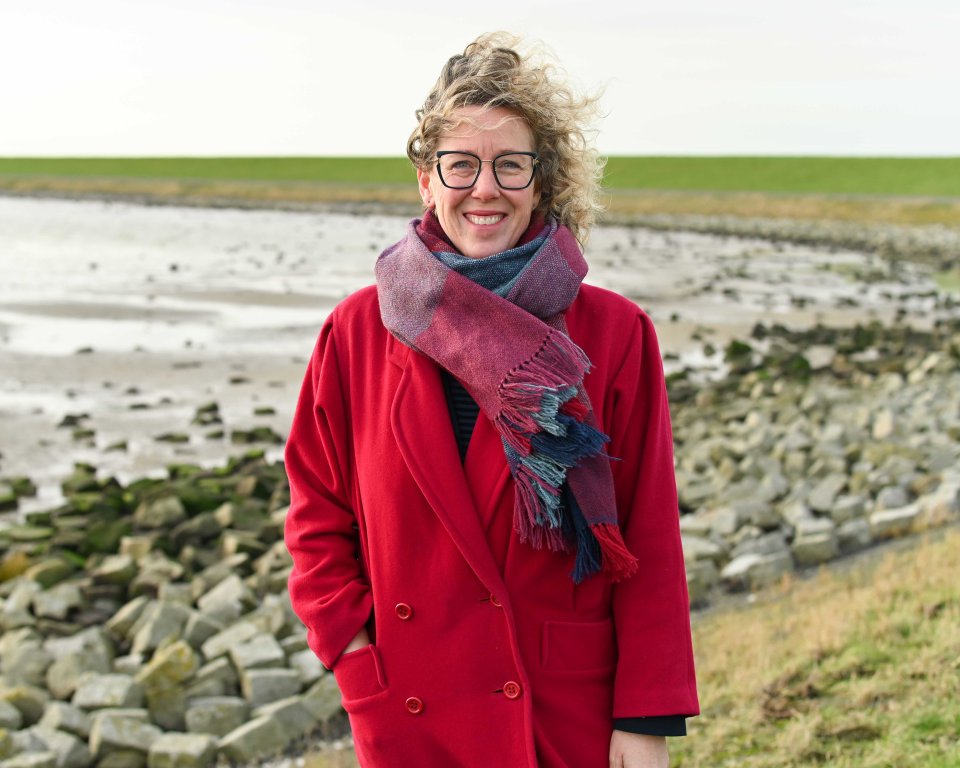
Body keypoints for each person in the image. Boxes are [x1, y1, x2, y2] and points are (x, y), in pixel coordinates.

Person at [284, 32, 699, 768]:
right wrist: (356, 664)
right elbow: (317, 515)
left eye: (511, 165)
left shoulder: (615, 332)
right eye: (461, 164)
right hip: (413, 709)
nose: (485, 188)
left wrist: (647, 718)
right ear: (426, 179)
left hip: (562, 708)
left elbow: (648, 537)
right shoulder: (355, 332)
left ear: (542, 181)